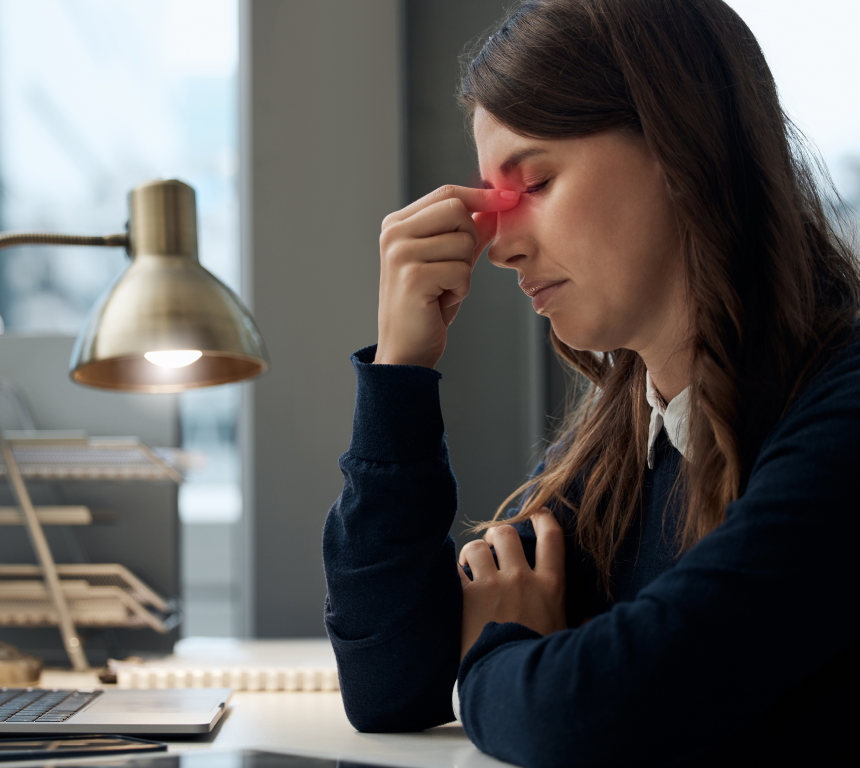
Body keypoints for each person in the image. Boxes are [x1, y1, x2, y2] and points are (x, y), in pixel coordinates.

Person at [321, 0, 860, 766]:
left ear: (682, 147)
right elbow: (389, 684)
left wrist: (498, 651)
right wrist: (400, 373)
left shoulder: (840, 421)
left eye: (534, 182)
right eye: (491, 199)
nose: (498, 246)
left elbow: (586, 713)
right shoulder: (620, 443)